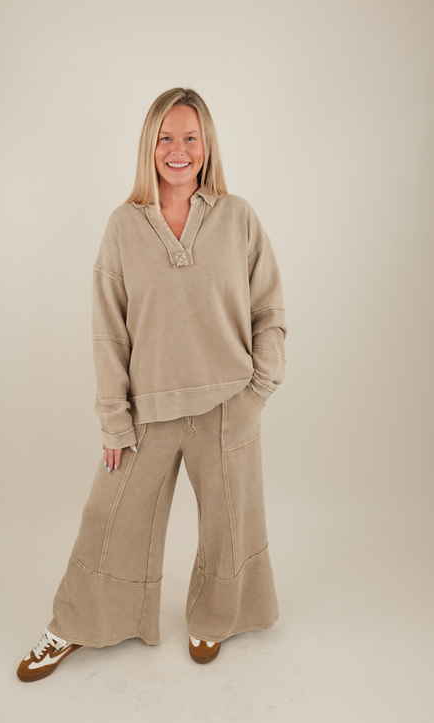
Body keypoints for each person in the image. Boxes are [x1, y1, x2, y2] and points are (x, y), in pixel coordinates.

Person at [16, 87, 287, 682]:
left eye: (191, 136)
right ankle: (74, 622)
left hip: (228, 406)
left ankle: (215, 618)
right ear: (149, 146)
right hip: (148, 413)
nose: (178, 149)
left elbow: (269, 308)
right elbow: (108, 331)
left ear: (208, 144)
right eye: (165, 137)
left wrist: (259, 388)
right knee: (107, 519)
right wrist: (115, 416)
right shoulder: (123, 226)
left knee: (230, 523)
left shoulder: (238, 216)